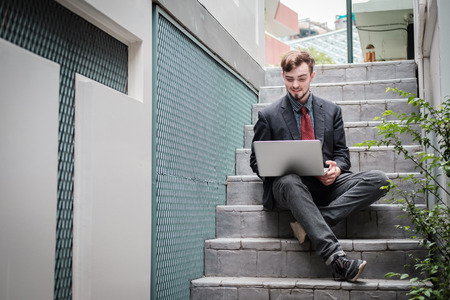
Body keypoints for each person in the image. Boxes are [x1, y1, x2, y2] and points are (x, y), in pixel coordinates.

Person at [250, 50, 389, 282]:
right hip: (290, 188)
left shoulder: (332, 111)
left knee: (380, 181)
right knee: (290, 181)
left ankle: (309, 224)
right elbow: (256, 162)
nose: (295, 85)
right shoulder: (269, 116)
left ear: (312, 76)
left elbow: (343, 155)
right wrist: (279, 166)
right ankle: (337, 259)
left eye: (301, 78)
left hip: (326, 184)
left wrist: (337, 169)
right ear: (283, 76)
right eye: (289, 78)